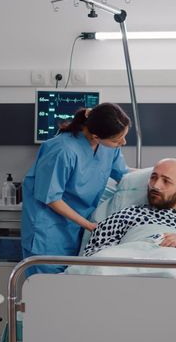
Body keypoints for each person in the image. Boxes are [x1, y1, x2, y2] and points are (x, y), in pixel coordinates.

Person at [21, 102, 132, 275]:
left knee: (70, 292)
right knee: (45, 292)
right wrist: (89, 225)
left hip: (77, 230)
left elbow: (123, 174)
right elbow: (51, 198)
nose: (123, 142)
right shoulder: (62, 150)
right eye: (117, 140)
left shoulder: (108, 148)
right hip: (49, 232)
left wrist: (156, 173)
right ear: (96, 136)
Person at [84, 158, 176, 262]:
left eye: (166, 181)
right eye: (153, 177)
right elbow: (94, 256)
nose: (156, 185)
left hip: (174, 262)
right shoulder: (125, 215)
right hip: (127, 266)